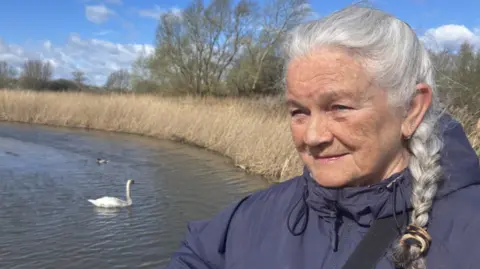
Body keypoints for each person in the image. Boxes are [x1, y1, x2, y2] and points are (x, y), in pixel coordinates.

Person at [162, 4, 480, 269]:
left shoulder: (469, 232)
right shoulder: (260, 214)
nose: (312, 137)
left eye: (339, 107)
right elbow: (197, 254)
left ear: (410, 109)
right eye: (299, 111)